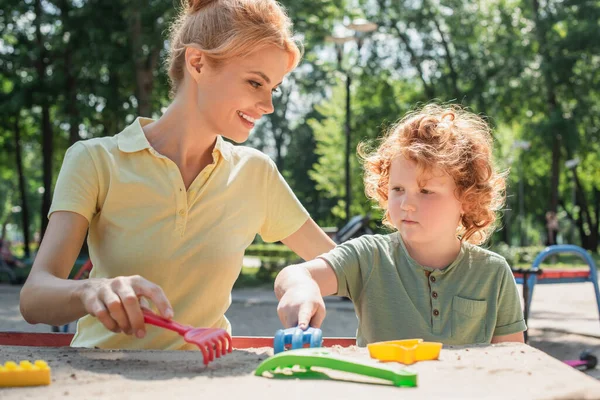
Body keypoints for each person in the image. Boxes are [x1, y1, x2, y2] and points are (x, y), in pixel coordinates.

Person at [20, 0, 335, 350]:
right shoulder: (95, 160)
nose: (268, 106)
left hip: (206, 378)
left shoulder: (255, 173)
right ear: (197, 63)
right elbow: (34, 298)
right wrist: (88, 289)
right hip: (99, 375)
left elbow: (347, 266)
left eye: (272, 88)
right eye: (255, 83)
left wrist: (303, 280)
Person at [275, 104, 526, 346]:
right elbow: (294, 273)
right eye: (397, 189)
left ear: (467, 199)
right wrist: (301, 288)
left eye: (425, 191)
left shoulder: (493, 273)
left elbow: (514, 362)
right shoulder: (368, 257)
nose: (406, 204)